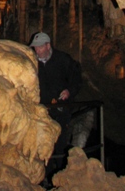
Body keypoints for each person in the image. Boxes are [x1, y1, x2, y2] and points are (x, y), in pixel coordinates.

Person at [30, 31, 81, 180]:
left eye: (40, 47)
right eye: (35, 48)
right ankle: (43, 178)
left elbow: (76, 79)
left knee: (59, 144)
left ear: (48, 45)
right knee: (42, 145)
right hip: (41, 111)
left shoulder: (62, 60)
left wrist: (69, 91)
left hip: (59, 111)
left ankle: (60, 178)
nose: (37, 51)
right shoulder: (33, 62)